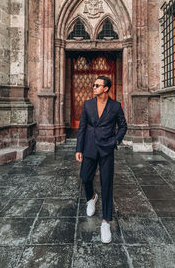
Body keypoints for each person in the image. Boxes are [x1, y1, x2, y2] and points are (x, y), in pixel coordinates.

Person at [75, 75, 127, 243]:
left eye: (97, 85)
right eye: (93, 85)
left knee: (106, 184)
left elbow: (123, 126)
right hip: (89, 146)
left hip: (106, 149)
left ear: (105, 88)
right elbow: (82, 127)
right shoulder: (88, 104)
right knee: (85, 177)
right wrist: (79, 148)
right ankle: (91, 197)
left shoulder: (116, 106)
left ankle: (106, 222)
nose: (93, 87)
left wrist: (115, 140)